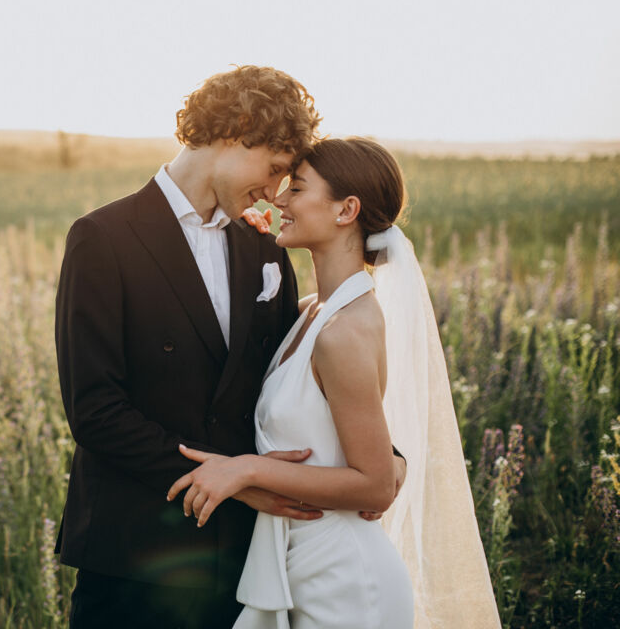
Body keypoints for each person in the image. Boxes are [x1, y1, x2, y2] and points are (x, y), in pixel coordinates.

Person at [54, 67, 406, 628]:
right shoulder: (103, 238)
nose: (274, 193)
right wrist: (232, 480)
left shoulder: (264, 248)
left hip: (247, 564)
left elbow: (301, 380)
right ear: (236, 129)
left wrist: (384, 463)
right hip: (131, 554)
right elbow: (94, 410)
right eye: (273, 170)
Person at [168, 138, 501, 628]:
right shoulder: (309, 313)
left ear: (347, 210)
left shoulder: (343, 332)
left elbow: (374, 487)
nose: (278, 199)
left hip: (346, 582)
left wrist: (246, 471)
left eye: (297, 188)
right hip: (299, 566)